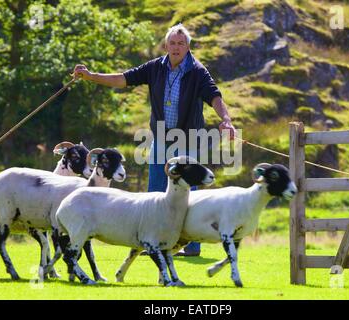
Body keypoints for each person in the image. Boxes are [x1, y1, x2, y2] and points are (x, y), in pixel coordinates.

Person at [73, 23, 236, 256]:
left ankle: (191, 246)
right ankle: (153, 242)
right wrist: (90, 76)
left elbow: (214, 95)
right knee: (156, 191)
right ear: (166, 45)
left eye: (181, 43)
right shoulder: (155, 68)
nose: (176, 47)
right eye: (173, 43)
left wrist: (226, 120)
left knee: (186, 193)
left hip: (187, 140)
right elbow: (123, 79)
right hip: (161, 138)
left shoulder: (198, 71)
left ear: (188, 46)